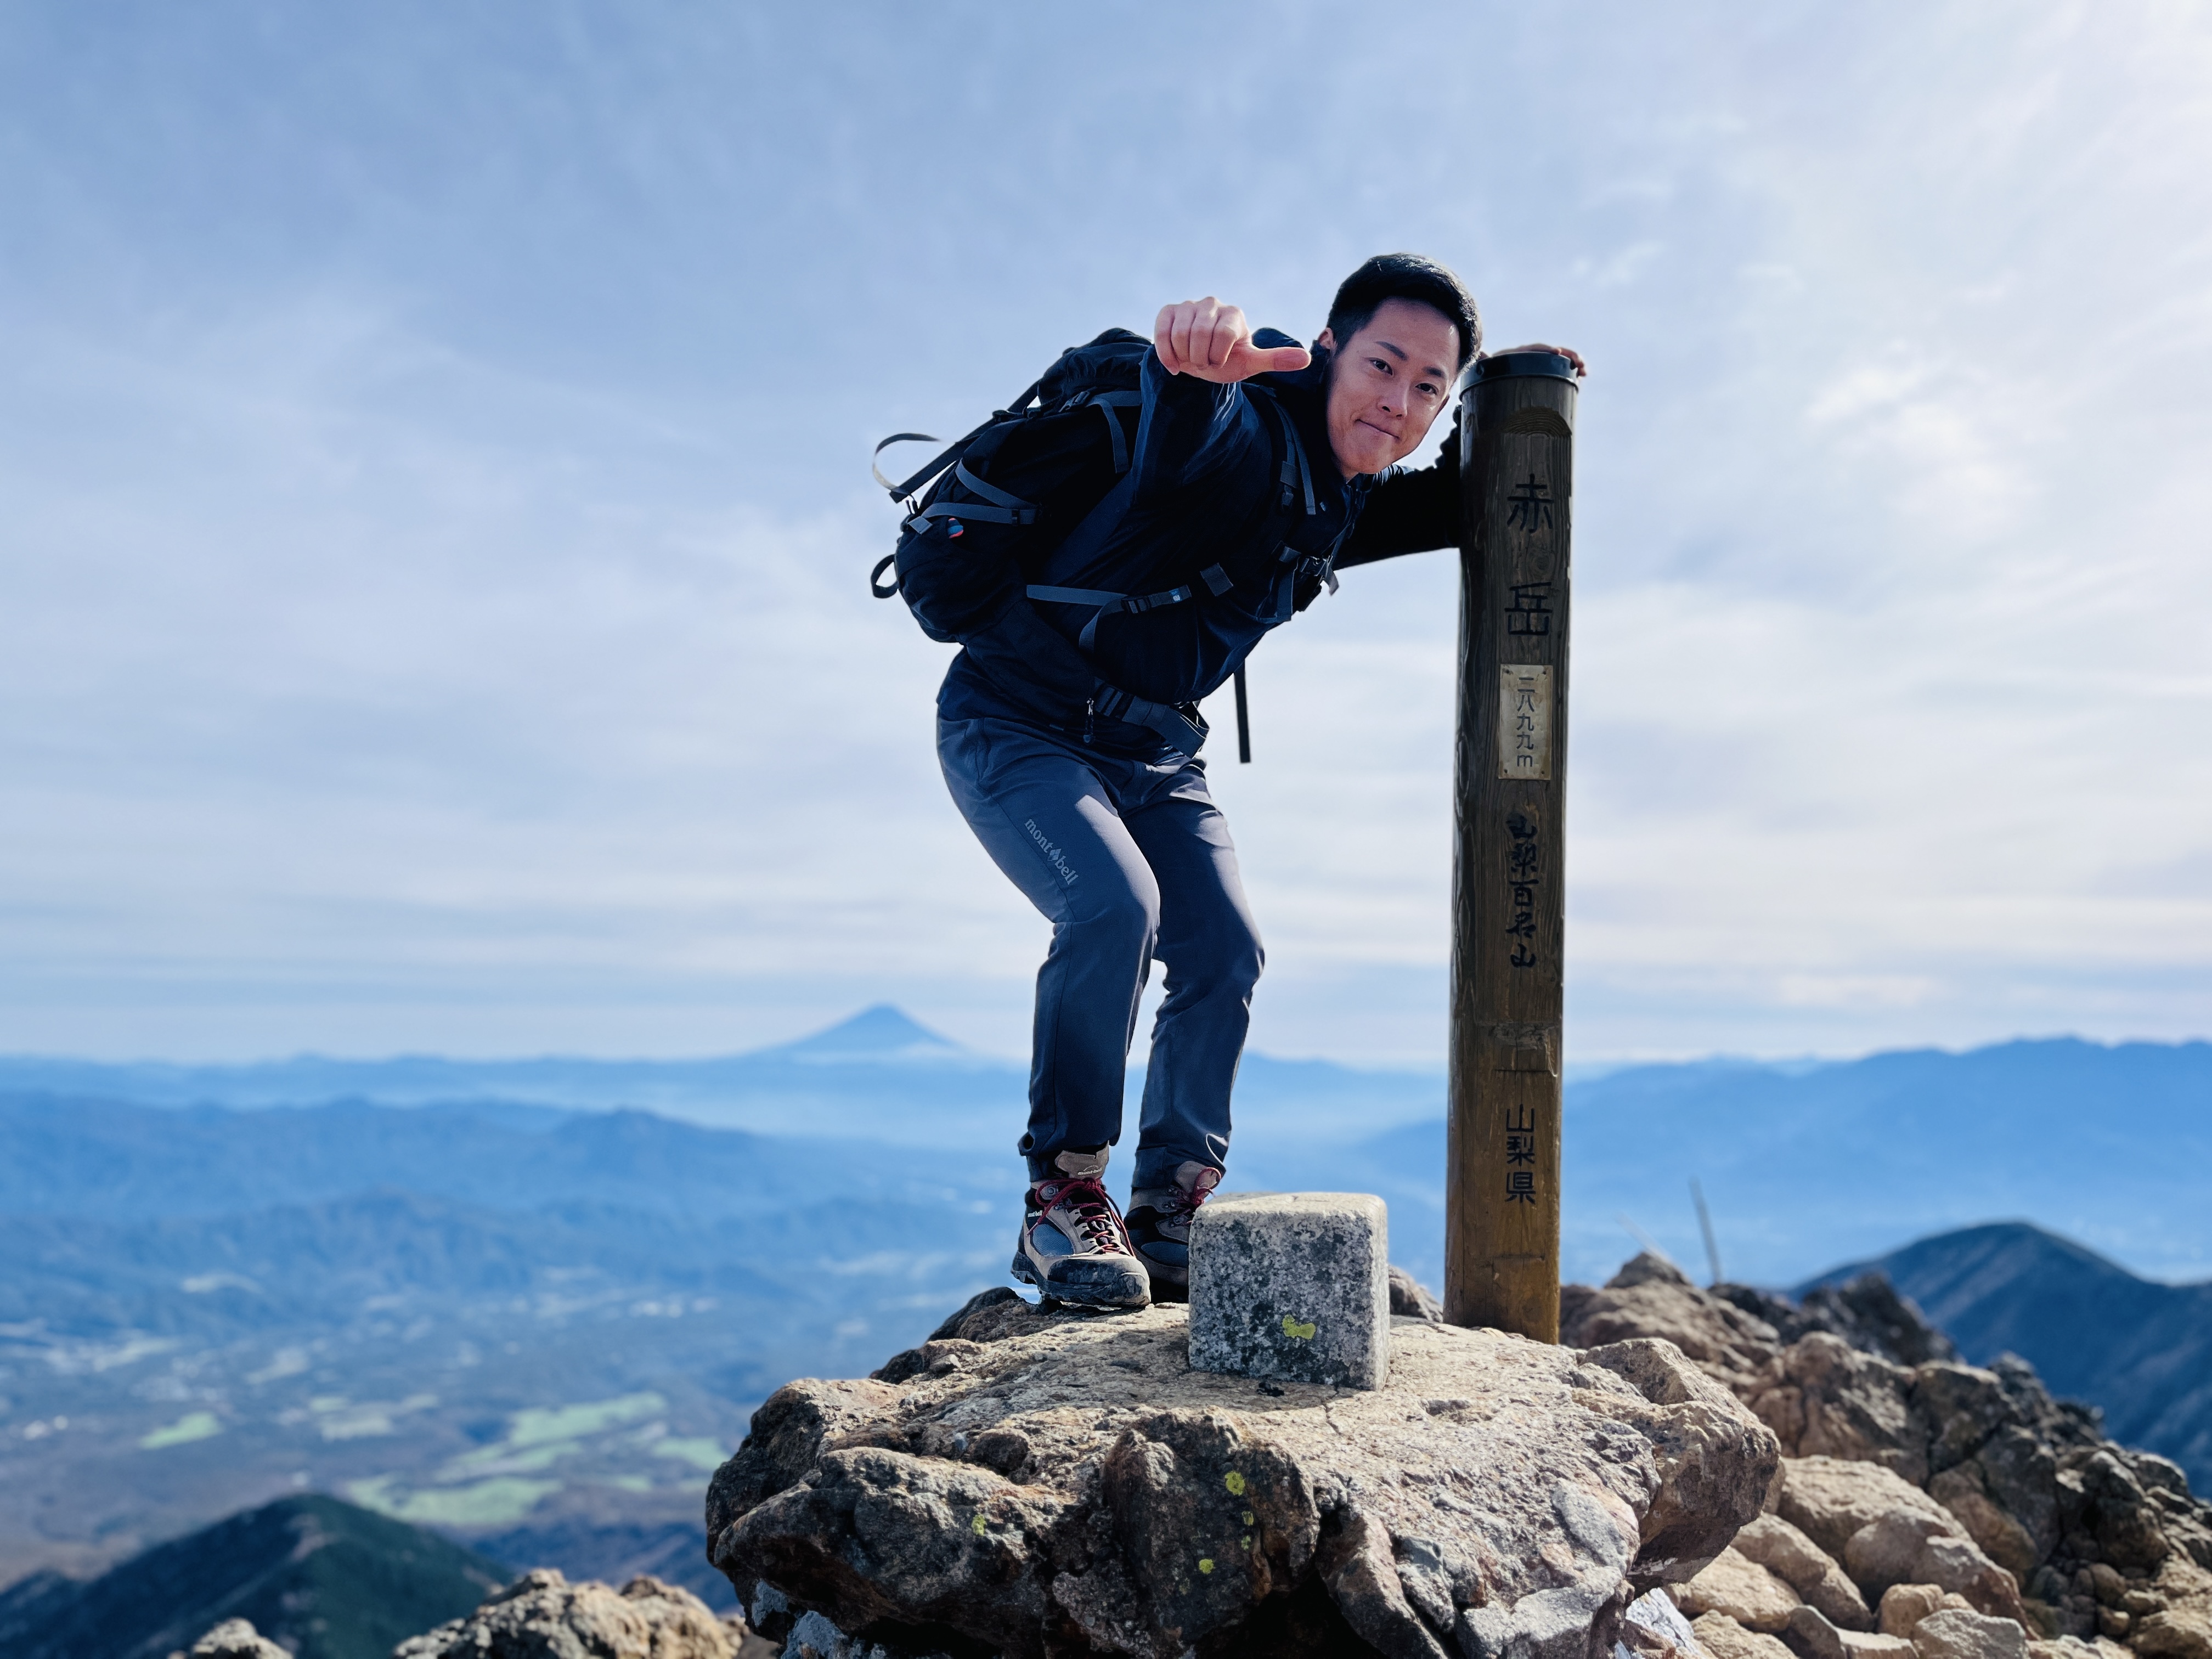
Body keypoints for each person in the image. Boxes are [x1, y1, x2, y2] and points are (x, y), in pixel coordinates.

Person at [934, 253, 1585, 1308]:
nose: (1399, 402)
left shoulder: (1341, 500)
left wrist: (1521, 386)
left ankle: (1171, 1210)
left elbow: (1458, 501)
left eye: (1429, 386)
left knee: (1225, 950)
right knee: (1113, 909)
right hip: (1016, 723)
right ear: (1327, 352)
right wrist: (1193, 367)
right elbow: (1189, 428)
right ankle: (1061, 1203)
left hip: (1152, 754)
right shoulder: (1235, 437)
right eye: (1381, 364)